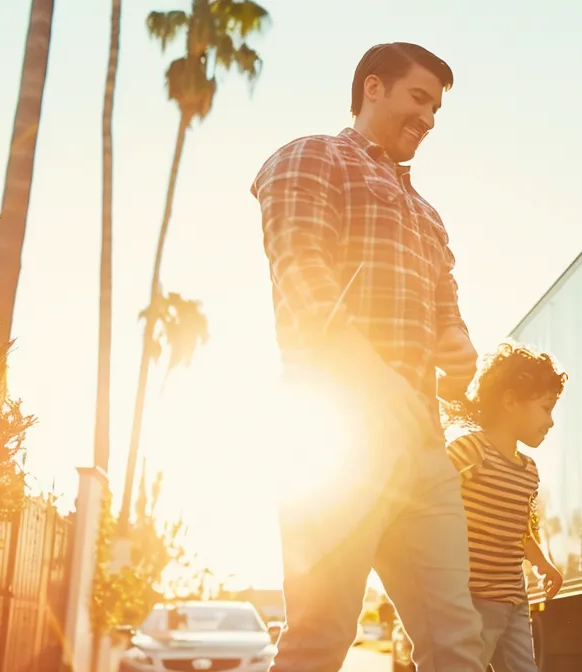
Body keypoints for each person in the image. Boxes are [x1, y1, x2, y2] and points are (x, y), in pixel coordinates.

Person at [252, 42, 484, 671]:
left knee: (455, 638)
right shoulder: (312, 158)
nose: (429, 117)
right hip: (336, 441)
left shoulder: (428, 215)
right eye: (419, 98)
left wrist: (459, 349)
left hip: (422, 452)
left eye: (436, 108)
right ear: (373, 87)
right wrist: (374, 385)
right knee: (321, 634)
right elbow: (302, 276)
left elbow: (448, 315)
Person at [446, 343, 568, 671]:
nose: (551, 422)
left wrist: (543, 564)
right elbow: (432, 503)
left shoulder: (528, 470)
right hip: (475, 597)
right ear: (511, 400)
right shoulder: (470, 451)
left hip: (515, 597)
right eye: (545, 408)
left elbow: (520, 528)